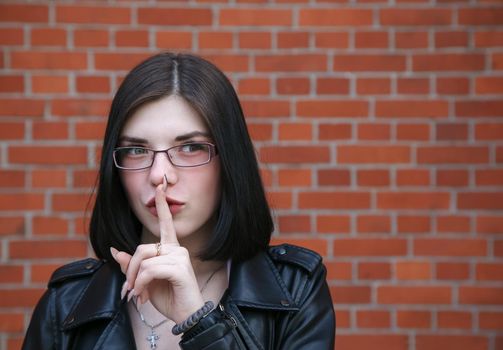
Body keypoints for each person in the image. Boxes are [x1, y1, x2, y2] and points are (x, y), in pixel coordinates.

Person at [22, 52, 335, 349]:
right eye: (136, 150)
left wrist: (198, 322)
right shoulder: (64, 307)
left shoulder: (296, 291)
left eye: (190, 148)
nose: (160, 175)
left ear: (230, 162)